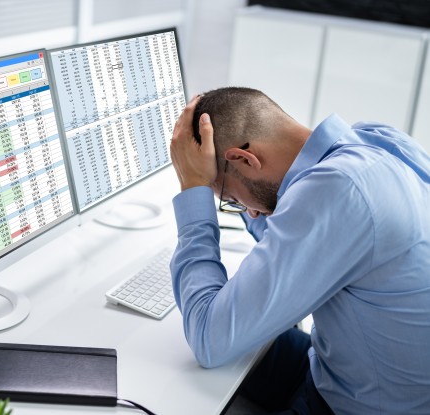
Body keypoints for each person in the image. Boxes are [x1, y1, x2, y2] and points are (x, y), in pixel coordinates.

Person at [168, 87, 430, 414]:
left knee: (185, 374)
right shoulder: (374, 139)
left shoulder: (337, 190)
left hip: (353, 406)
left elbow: (208, 337)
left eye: (229, 198)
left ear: (244, 159)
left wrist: (194, 190)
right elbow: (292, 225)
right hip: (344, 369)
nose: (248, 213)